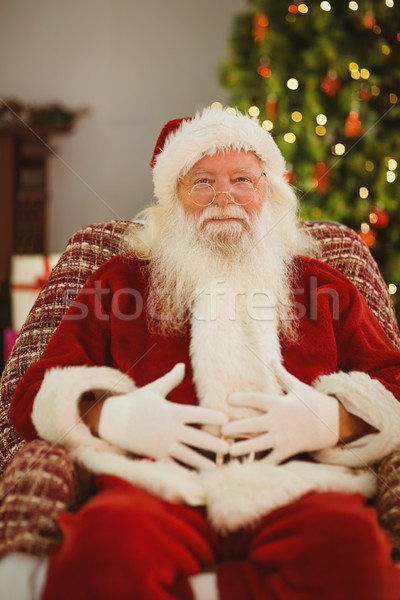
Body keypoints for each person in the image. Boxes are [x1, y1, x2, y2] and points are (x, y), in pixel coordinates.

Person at [6, 105, 400, 600]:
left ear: (269, 193)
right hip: (155, 487)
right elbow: (31, 397)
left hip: (299, 487)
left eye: (242, 180)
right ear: (174, 199)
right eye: (202, 183)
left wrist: (329, 421)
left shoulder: (325, 287)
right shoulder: (122, 282)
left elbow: (393, 386)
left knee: (358, 563)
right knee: (101, 559)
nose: (224, 199)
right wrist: (118, 419)